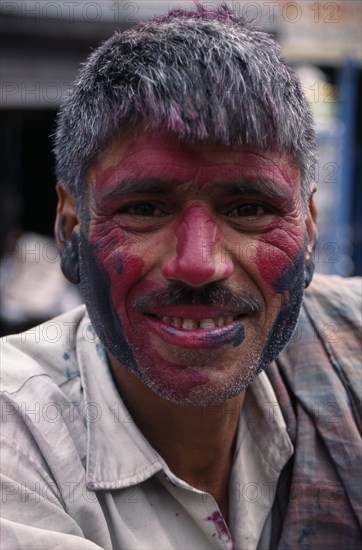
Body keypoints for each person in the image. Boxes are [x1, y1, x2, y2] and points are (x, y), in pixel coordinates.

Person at [1, 4, 360, 549]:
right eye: (145, 209)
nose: (199, 264)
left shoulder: (346, 347)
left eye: (248, 208)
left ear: (309, 230)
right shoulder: (17, 432)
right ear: (70, 227)